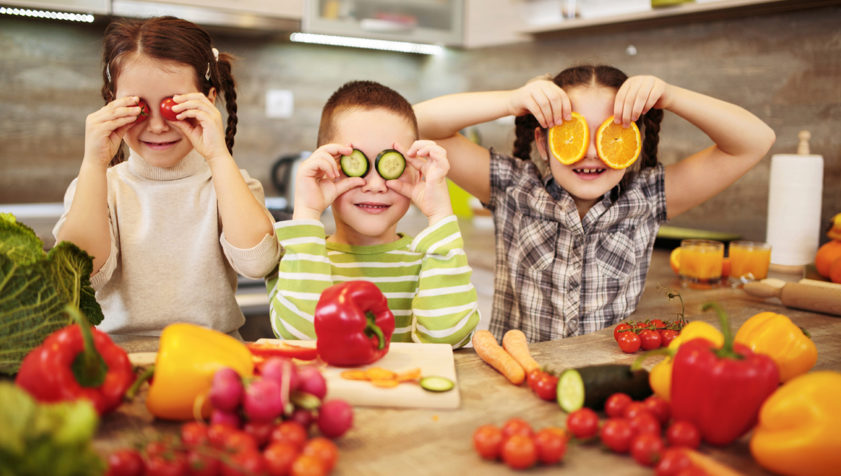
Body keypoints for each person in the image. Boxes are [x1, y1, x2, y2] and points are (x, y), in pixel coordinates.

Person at [414, 65, 776, 342]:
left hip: (606, 383)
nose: (590, 152)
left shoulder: (647, 197)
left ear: (632, 140)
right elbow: (415, 122)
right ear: (543, 143)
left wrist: (672, 96)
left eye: (611, 132)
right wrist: (511, 100)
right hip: (516, 377)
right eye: (573, 132)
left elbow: (755, 140)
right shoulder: (513, 186)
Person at [53, 16, 279, 337]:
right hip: (118, 366)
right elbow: (79, 277)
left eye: (174, 107)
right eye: (137, 107)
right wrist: (94, 163)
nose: (157, 126)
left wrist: (218, 156)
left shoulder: (231, 185)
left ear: (208, 102)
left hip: (213, 360)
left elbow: (258, 263)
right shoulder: (95, 189)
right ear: (111, 104)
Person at [266, 80, 480, 347]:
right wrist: (308, 212)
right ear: (326, 166)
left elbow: (448, 338)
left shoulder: (433, 257)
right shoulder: (299, 255)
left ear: (416, 167)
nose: (376, 185)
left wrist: (440, 214)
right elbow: (301, 337)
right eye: (356, 163)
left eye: (391, 163)